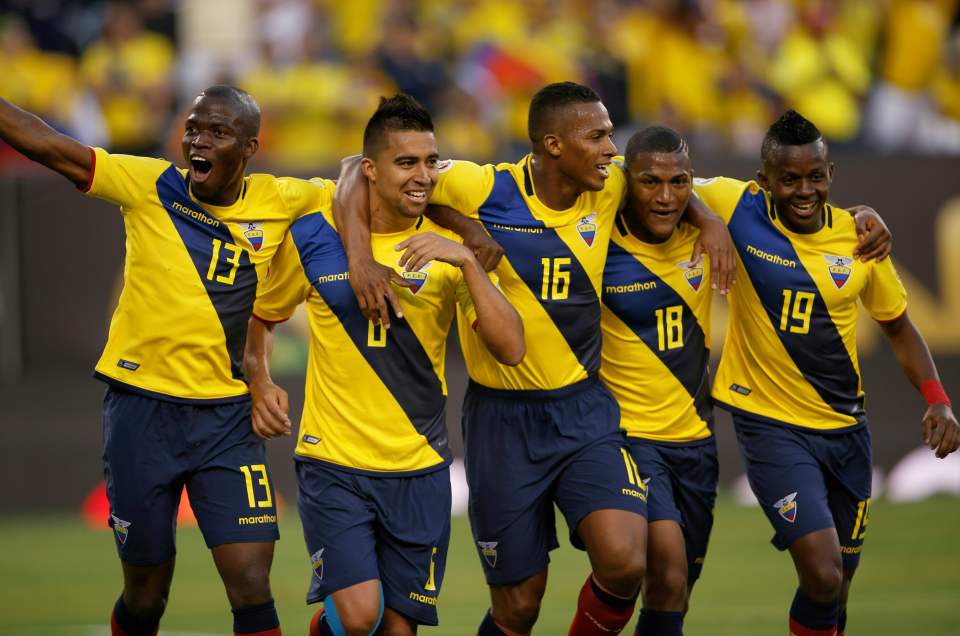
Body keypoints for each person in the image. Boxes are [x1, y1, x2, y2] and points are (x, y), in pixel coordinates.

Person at [333, 82, 740, 636]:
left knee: (625, 561)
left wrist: (709, 220)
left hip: (584, 410)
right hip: (502, 421)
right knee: (518, 607)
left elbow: (675, 185)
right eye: (595, 136)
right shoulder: (483, 184)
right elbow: (356, 171)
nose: (610, 149)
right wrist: (372, 254)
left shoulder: (610, 185)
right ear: (553, 145)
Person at [0, 85, 334, 636]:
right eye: (193, 129)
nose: (198, 140)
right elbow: (49, 145)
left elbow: (365, 182)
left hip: (227, 419)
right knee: (147, 595)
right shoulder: (150, 184)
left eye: (217, 132)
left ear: (250, 147)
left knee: (251, 583)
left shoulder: (284, 197)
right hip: (141, 413)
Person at [244, 94, 524, 636]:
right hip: (334, 463)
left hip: (420, 466)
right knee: (359, 614)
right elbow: (262, 318)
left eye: (430, 162)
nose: (423, 176)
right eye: (406, 162)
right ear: (371, 169)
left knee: (397, 628)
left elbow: (511, 347)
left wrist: (467, 262)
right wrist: (260, 380)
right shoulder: (314, 237)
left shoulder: (448, 248)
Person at [696, 110, 959, 636]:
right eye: (788, 179)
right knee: (821, 571)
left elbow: (900, 328)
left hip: (844, 431)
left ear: (831, 173)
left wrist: (938, 399)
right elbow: (666, 180)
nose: (803, 189)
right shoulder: (737, 205)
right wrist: (707, 221)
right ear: (762, 180)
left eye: (815, 176)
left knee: (838, 588)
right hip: (769, 425)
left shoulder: (858, 241)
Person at [599, 126, 717, 636]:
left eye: (679, 182)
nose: (665, 196)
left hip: (696, 438)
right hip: (630, 438)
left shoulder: (709, 228)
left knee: (676, 593)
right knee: (663, 564)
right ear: (627, 180)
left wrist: (864, 218)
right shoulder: (598, 240)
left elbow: (795, 201)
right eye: (650, 182)